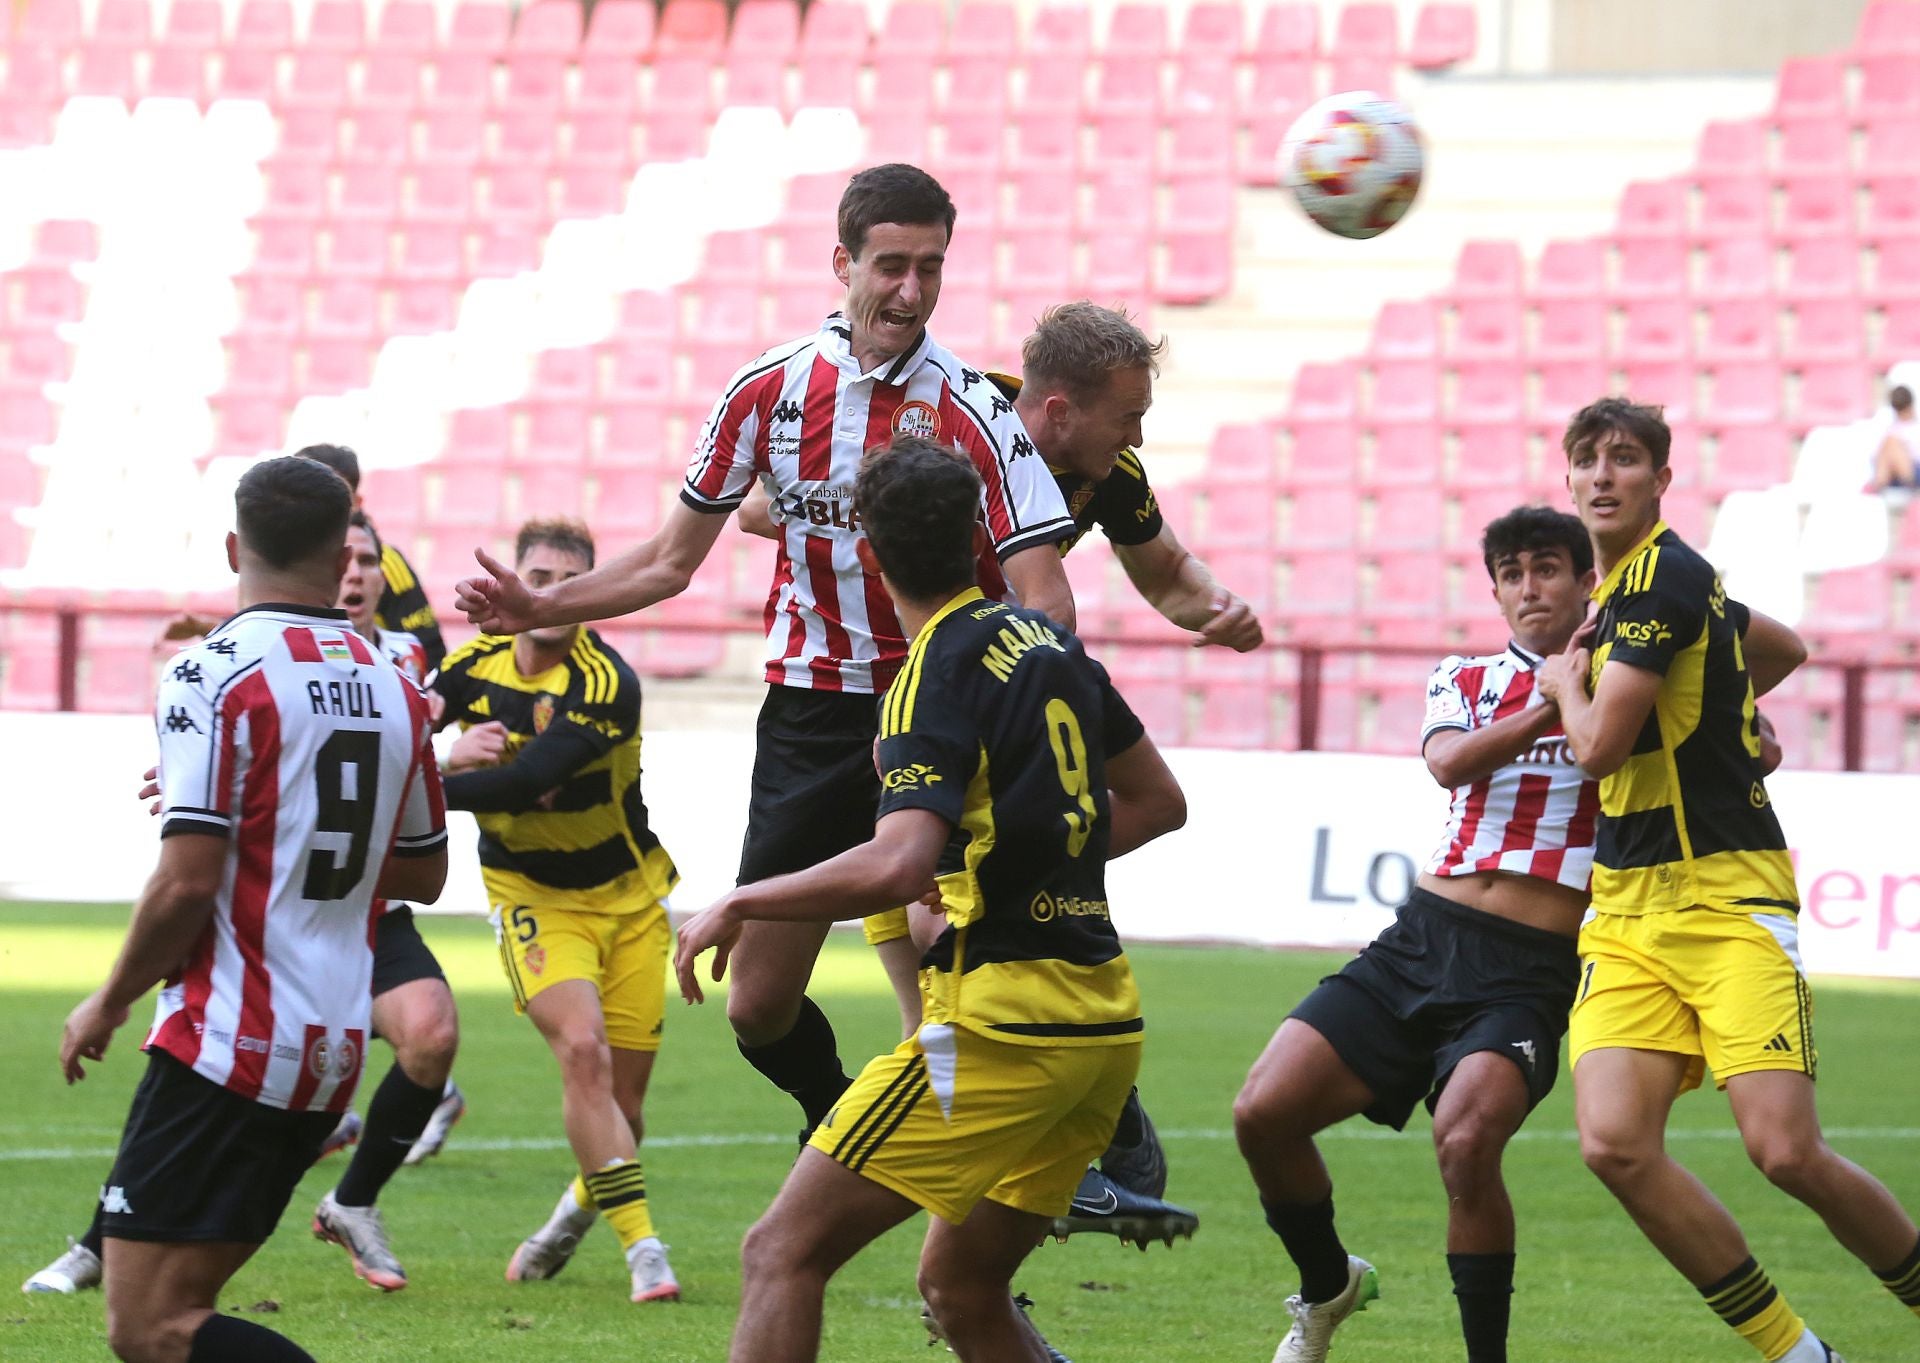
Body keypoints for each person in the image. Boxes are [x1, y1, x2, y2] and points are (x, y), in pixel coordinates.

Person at [455, 165, 1079, 1147]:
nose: (910, 291)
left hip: (941, 708)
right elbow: (669, 562)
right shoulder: (768, 392)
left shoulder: (975, 408)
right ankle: (845, 1126)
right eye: (891, 266)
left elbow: (1045, 589)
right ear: (842, 263)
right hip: (813, 713)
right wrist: (545, 601)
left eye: (931, 269)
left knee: (952, 941)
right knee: (756, 1008)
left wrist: (1026, 703)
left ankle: (1071, 1150)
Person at [670, 437, 1187, 1363]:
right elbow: (1158, 801)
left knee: (779, 1252)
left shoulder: (928, 674)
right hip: (1104, 1025)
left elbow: (898, 865)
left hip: (999, 1033)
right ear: (986, 535)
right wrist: (1023, 855)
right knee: (962, 1287)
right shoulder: (1052, 647)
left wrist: (745, 901)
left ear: (868, 552)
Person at [1534, 397, 1920, 1363]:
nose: (1603, 474)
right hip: (1625, 907)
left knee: (1785, 1150)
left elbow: (1595, 746)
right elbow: (1778, 647)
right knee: (1615, 1142)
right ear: (1569, 479)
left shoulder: (1664, 576)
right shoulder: (1634, 591)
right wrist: (1729, 715)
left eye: (1625, 459)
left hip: (1726, 895)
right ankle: (1800, 1354)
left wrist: (1561, 682)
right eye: (1587, 460)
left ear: (1662, 481)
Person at [56, 455, 447, 1363]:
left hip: (227, 1039)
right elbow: (424, 873)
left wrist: (108, 1000)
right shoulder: (396, 683)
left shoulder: (214, 672)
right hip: (334, 1042)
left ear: (235, 546)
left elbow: (187, 882)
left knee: (150, 1325)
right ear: (342, 553)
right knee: (184, 1310)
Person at [1233, 506, 1601, 1363]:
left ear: (1587, 580)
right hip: (1421, 940)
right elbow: (1447, 762)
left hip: (1530, 970)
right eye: (1510, 573)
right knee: (1263, 1112)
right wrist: (1555, 703)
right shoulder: (1466, 677)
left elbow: (1752, 732)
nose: (1528, 587)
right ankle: (1328, 1287)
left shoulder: (1624, 683)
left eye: (1547, 567)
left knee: (1467, 1138)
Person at [434, 518, 684, 1303]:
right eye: (536, 577)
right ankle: (646, 1249)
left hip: (630, 898)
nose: (550, 595)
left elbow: (518, 781)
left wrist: (431, 782)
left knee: (626, 1112)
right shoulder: (468, 664)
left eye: (567, 583)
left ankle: (571, 1215)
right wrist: (437, 753)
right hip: (531, 896)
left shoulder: (605, 684)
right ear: (514, 580)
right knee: (583, 1051)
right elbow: (398, 731)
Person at [308, 511, 461, 1292]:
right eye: (344, 559)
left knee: (431, 1033)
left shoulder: (403, 659)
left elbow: (408, 768)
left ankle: (353, 1202)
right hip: (287, 908)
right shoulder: (275, 650)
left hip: (370, 902)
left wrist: (445, 757)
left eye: (371, 560)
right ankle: (105, 1236)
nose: (359, 574)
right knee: (242, 1104)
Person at [1870, 385, 1920, 495]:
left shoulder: (1915, 426)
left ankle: (1878, 487)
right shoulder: (1891, 427)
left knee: (1891, 443)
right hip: (1897, 474)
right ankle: (1881, 485)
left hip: (1913, 470)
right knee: (1889, 445)